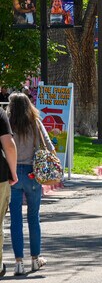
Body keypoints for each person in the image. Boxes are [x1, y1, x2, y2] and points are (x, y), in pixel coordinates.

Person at [6, 93, 52, 275]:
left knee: (15, 219)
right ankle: (35, 259)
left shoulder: (8, 124)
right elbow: (50, 147)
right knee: (33, 216)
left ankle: (18, 262)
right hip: (33, 173)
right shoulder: (35, 123)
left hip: (13, 173)